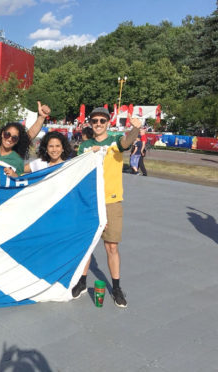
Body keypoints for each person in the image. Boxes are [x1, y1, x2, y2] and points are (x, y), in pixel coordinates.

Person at [72, 107, 142, 308]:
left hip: (111, 200)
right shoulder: (85, 145)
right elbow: (76, 169)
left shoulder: (115, 141)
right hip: (89, 201)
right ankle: (82, 282)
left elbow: (126, 143)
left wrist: (135, 129)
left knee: (111, 246)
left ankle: (117, 287)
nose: (99, 124)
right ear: (90, 123)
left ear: (108, 123)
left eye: (102, 121)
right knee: (87, 245)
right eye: (95, 121)